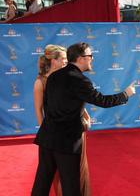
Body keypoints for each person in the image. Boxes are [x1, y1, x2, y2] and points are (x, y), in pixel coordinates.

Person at [31, 42, 136, 196]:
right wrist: (125, 94)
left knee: (42, 184)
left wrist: (80, 114)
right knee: (71, 187)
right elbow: (102, 101)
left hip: (47, 139)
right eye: (89, 56)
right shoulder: (80, 80)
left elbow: (53, 106)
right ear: (80, 59)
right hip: (67, 142)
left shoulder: (53, 77)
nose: (92, 59)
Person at [33, 44, 92, 196]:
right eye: (64, 60)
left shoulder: (67, 77)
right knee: (56, 177)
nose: (67, 62)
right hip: (54, 136)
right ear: (54, 61)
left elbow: (74, 100)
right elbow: (39, 110)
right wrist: (46, 133)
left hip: (72, 134)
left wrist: (85, 115)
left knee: (73, 176)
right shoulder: (42, 82)